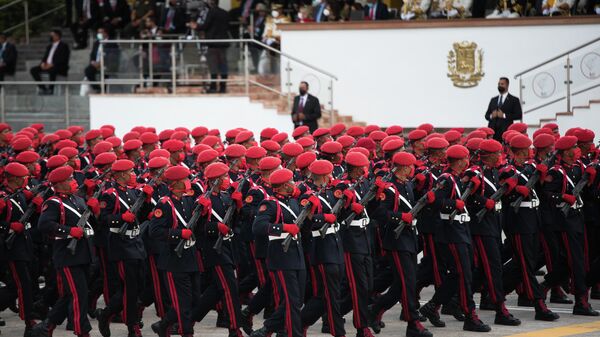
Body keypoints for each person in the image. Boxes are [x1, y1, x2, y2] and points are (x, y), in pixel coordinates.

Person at [190, 0, 230, 93]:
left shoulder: (211, 12)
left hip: (213, 43)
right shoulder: (225, 12)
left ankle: (213, 86)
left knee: (213, 66)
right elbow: (228, 26)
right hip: (223, 42)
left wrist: (196, 26)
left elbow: (205, 25)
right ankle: (223, 86)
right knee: (223, 65)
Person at [30, 29, 70, 95]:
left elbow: (63, 59)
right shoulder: (49, 46)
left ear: (57, 36)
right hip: (47, 65)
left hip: (58, 66)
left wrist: (52, 64)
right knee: (33, 70)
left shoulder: (64, 46)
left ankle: (51, 89)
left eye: (52, 35)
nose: (51, 37)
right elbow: (45, 57)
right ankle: (43, 88)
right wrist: (42, 63)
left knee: (52, 70)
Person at [485, 77, 522, 142]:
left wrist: (504, 115)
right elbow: (486, 115)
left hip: (506, 132)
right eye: (499, 84)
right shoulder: (493, 100)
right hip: (492, 133)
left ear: (507, 85)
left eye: (502, 84)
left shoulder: (514, 100)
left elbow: (519, 115)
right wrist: (491, 116)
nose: (500, 86)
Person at [84, 27, 119, 93]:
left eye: (101, 32)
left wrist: (101, 63)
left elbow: (113, 56)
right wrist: (93, 61)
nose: (99, 34)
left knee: (105, 73)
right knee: (88, 70)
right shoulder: (97, 43)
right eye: (98, 32)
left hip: (107, 64)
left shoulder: (112, 43)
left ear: (106, 33)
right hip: (96, 64)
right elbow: (92, 54)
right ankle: (97, 88)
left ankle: (104, 90)